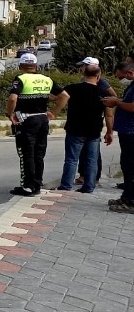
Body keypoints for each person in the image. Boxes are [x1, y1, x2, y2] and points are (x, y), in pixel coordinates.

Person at [6, 53, 67, 197]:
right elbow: (65, 96)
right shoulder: (46, 79)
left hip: (26, 120)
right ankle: (37, 184)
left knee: (27, 154)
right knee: (39, 154)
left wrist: (10, 114)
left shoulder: (20, 78)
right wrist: (53, 113)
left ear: (20, 66)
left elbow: (13, 98)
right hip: (42, 120)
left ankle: (27, 186)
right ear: (36, 66)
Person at [55, 64, 113, 193]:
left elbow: (58, 98)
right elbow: (109, 115)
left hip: (74, 129)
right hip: (93, 131)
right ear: (99, 76)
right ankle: (89, 186)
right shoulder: (102, 93)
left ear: (83, 74)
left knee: (71, 159)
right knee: (92, 160)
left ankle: (66, 186)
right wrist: (109, 132)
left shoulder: (72, 89)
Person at [74, 57, 117, 188]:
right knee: (84, 151)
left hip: (93, 123)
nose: (81, 68)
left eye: (83, 66)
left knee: (93, 152)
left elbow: (112, 99)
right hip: (83, 122)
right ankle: (83, 175)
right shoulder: (85, 80)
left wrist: (109, 130)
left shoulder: (102, 84)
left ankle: (95, 178)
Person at [106, 63, 134, 213]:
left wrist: (116, 102)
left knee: (132, 167)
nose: (120, 79)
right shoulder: (132, 85)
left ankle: (131, 201)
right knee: (127, 166)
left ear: (129, 72)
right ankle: (127, 196)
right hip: (127, 132)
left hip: (132, 132)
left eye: (121, 76)